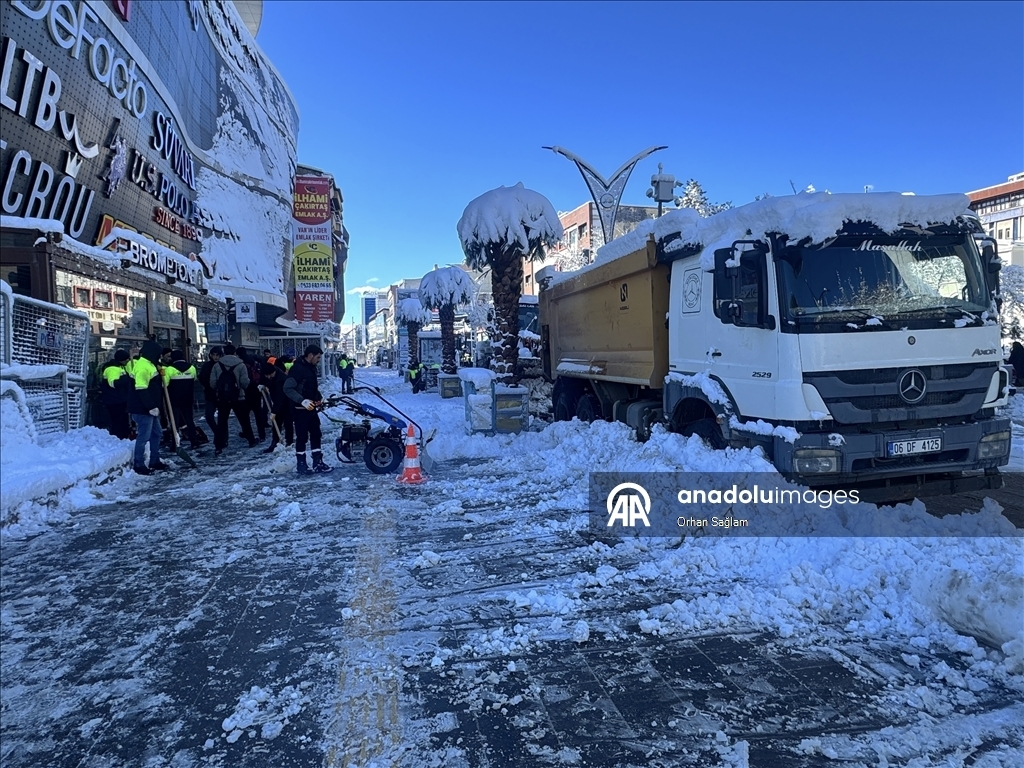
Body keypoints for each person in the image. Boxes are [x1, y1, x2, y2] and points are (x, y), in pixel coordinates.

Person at [284, 344, 332, 474]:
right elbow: (287, 388)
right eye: (317, 357)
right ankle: (301, 465)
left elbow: (311, 388)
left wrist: (319, 398)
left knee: (316, 434)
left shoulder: (311, 368)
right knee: (302, 437)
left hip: (311, 408)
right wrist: (302, 401)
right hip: (300, 410)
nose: (318, 360)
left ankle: (318, 462)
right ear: (310, 355)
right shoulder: (297, 369)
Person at [127, 340, 167, 474]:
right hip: (143, 409)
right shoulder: (143, 367)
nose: (160, 357)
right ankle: (139, 464)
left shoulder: (150, 364)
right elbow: (141, 389)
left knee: (157, 433)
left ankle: (154, 460)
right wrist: (150, 406)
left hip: (151, 409)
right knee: (144, 436)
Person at [209, 343, 257, 455]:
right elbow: (245, 382)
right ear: (235, 353)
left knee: (221, 422)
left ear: (224, 353)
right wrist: (240, 388)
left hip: (222, 398)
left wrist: (219, 390)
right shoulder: (241, 365)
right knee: (244, 420)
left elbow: (212, 382)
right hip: (238, 397)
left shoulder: (217, 365)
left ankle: (218, 445)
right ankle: (251, 440)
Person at [167, 350, 199, 448]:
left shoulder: (170, 369)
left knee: (174, 422)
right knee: (189, 420)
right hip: (188, 398)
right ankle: (194, 441)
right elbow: (194, 379)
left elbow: (165, 384)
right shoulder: (192, 368)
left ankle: (175, 444)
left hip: (174, 399)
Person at [261, 361, 293, 453]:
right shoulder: (269, 375)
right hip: (277, 401)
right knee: (276, 424)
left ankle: (289, 442)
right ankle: (274, 443)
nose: (268, 377)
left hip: (287, 402)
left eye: (269, 375)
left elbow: (280, 398)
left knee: (288, 423)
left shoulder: (281, 379)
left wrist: (274, 412)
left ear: (274, 371)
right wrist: (262, 384)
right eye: (266, 375)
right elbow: (264, 379)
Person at [100, 349, 131, 440]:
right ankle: (118, 438)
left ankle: (122, 436)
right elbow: (113, 383)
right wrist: (126, 378)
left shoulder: (119, 367)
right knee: (117, 421)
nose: (128, 361)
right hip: (114, 401)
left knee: (122, 420)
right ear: (122, 359)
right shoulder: (112, 369)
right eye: (126, 359)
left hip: (119, 400)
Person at [238, 346, 267, 442]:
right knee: (258, 413)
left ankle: (247, 433)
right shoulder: (254, 359)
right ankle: (262, 434)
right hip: (256, 390)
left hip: (246, 391)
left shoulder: (241, 363)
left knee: (245, 415)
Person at [197, 346, 223, 435]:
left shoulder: (222, 365)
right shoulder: (207, 365)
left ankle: (222, 436)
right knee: (209, 416)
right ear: (211, 355)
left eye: (217, 355)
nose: (215, 357)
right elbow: (201, 378)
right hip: (210, 394)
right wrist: (207, 385)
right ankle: (218, 433)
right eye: (214, 355)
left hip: (222, 394)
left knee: (222, 417)